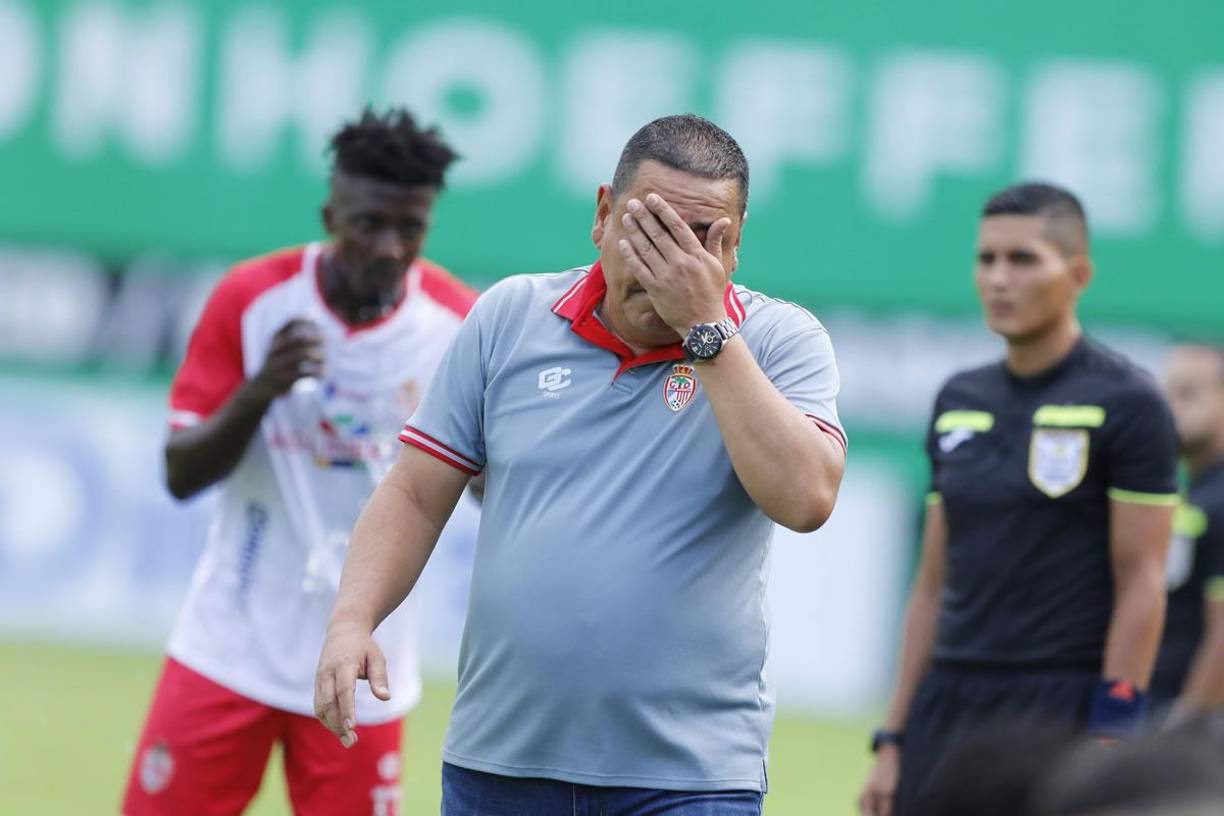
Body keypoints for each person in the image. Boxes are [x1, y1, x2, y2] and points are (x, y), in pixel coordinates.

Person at [313, 113, 847, 816]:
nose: (668, 259)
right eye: (649, 227)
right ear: (602, 214)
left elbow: (806, 498)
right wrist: (352, 620)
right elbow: (415, 492)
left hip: (689, 778)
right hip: (500, 761)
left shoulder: (781, 341)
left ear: (736, 245)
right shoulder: (509, 317)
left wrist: (706, 330)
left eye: (697, 238)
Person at [122, 109, 477, 815]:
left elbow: (491, 489)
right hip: (227, 648)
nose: (388, 247)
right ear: (330, 213)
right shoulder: (253, 299)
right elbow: (180, 474)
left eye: (410, 229)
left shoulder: (456, 326)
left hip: (365, 665)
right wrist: (261, 390)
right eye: (370, 224)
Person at [858, 182, 1180, 816]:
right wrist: (893, 737)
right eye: (987, 259)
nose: (999, 278)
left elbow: (1142, 582)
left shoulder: (1131, 403)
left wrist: (1114, 727)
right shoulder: (959, 399)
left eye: (1023, 259)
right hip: (947, 703)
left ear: (1078, 273)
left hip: (1056, 705)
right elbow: (931, 583)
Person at [1151, 342, 1224, 719]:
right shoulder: (1190, 491)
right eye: (1167, 395)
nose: (1171, 408)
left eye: (1188, 394)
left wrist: (1187, 721)